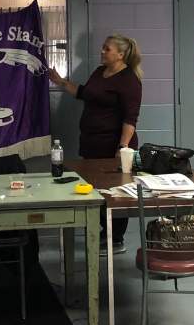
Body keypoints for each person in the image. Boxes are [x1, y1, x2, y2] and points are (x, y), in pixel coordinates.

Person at [49, 35, 143, 254]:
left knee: (115, 192)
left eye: (106, 49)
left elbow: (131, 118)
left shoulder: (129, 80)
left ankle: (115, 239)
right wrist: (61, 81)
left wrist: (122, 148)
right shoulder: (99, 73)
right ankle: (103, 232)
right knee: (96, 190)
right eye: (103, 48)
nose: (102, 51)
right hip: (92, 143)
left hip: (113, 146)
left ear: (121, 54)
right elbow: (84, 93)